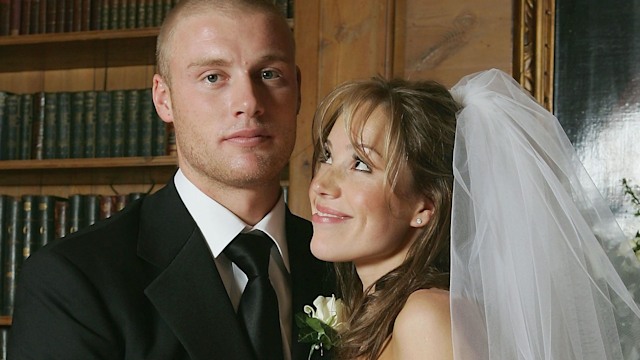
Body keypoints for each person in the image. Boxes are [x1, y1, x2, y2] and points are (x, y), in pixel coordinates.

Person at [8, 1, 332, 359]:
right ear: (164, 99)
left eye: (269, 73)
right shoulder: (74, 279)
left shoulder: (345, 265)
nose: (249, 102)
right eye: (213, 77)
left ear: (298, 90)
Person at [308, 69, 640, 360]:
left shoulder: (426, 317)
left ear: (425, 206)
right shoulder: (381, 313)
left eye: (361, 165)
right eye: (326, 156)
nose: (323, 184)